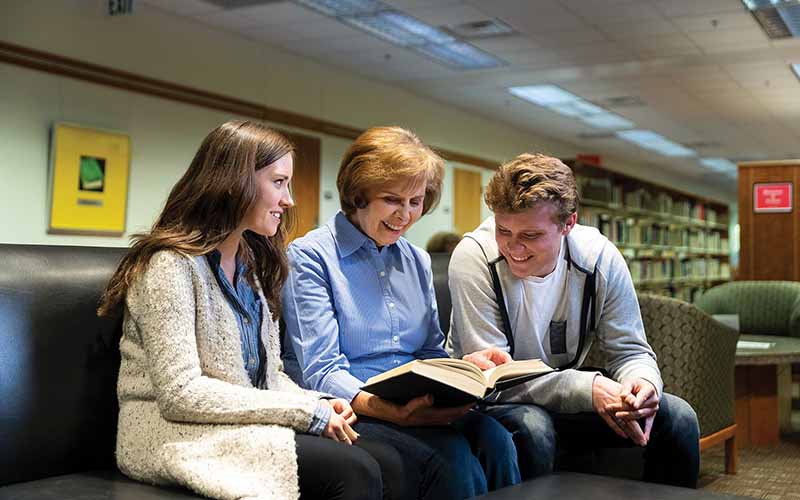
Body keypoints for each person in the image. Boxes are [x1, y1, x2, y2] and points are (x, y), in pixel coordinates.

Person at [97, 120, 404, 500]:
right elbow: (181, 394)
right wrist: (305, 414)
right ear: (234, 181)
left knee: (388, 461)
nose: (289, 200)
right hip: (171, 434)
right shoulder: (169, 268)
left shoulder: (250, 267)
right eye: (279, 183)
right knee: (354, 470)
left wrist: (319, 402)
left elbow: (271, 375)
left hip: (238, 426)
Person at [282, 126, 521, 499]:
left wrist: (465, 367)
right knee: (452, 459)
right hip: (356, 405)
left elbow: (428, 352)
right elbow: (320, 371)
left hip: (414, 400)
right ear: (358, 195)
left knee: (498, 440)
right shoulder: (310, 257)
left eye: (416, 201)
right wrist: (392, 411)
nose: (406, 215)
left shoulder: (417, 260)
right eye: (393, 199)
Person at [446, 153, 700, 488]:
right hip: (493, 400)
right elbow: (493, 379)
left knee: (679, 419)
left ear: (569, 224)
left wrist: (644, 384)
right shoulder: (473, 257)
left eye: (531, 235)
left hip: (565, 392)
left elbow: (630, 351)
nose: (513, 247)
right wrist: (588, 388)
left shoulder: (599, 258)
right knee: (534, 428)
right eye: (503, 230)